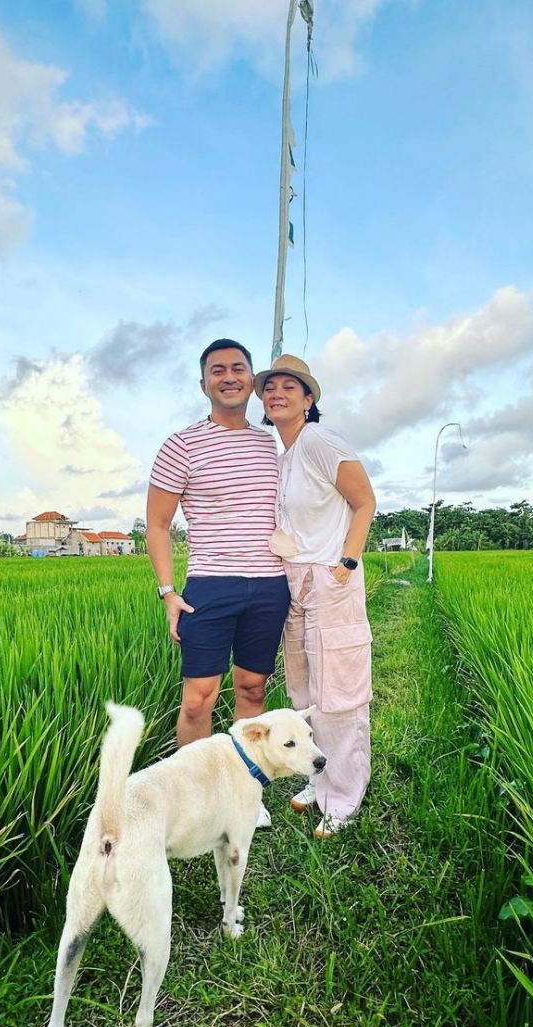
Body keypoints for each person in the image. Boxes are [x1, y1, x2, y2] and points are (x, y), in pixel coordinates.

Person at [147, 339, 290, 788]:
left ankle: (245, 790)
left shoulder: (269, 443)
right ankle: (194, 794)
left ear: (252, 379)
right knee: (198, 699)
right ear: (203, 384)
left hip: (270, 585)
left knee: (253, 689)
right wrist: (168, 593)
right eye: (217, 370)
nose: (229, 377)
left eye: (238, 368)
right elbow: (157, 525)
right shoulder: (181, 445)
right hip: (210, 585)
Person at [255, 354, 376, 837]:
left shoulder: (320, 440)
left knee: (338, 694)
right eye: (270, 388)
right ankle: (319, 779)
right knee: (303, 693)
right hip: (295, 583)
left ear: (308, 400)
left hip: (329, 580)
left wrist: (346, 564)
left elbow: (365, 501)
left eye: (289, 387)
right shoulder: (282, 456)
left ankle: (344, 796)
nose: (277, 393)